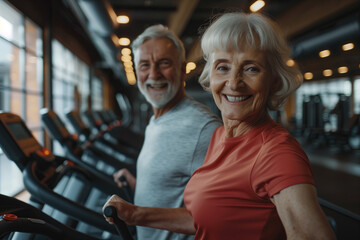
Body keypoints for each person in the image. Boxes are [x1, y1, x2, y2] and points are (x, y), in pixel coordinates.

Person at [104, 12, 336, 240]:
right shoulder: (219, 137)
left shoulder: (276, 152)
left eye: (251, 68)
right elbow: (205, 218)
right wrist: (136, 214)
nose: (234, 83)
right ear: (210, 75)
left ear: (274, 80)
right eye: (223, 67)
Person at [112, 24, 222, 240]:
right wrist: (136, 184)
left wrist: (136, 214)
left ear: (182, 69)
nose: (153, 74)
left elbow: (220, 216)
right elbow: (177, 188)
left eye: (164, 63)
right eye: (144, 65)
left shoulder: (204, 129)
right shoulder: (157, 119)